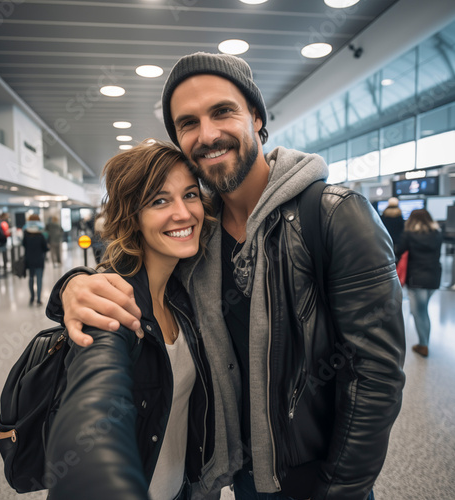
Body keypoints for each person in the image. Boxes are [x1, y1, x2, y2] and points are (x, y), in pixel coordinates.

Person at [47, 53, 406, 500]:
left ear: (256, 117)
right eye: (188, 123)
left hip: (316, 480)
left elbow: (376, 373)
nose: (208, 134)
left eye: (222, 111)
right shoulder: (198, 231)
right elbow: (134, 265)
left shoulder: (333, 215)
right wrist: (72, 285)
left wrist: (341, 489)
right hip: (240, 475)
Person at [46, 140, 215, 500]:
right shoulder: (113, 307)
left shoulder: (185, 290)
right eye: (159, 200)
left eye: (190, 194)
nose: (184, 213)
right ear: (132, 216)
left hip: (185, 488)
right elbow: (89, 411)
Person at [395, 209, 442, 357]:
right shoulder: (437, 234)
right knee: (424, 310)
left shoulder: (409, 234)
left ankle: (423, 345)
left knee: (418, 313)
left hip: (416, 278)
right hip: (434, 277)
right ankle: (424, 343)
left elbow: (397, 251)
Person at [22, 214, 48, 305]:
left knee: (31, 278)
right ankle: (39, 299)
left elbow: (24, 245)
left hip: (29, 259)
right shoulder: (41, 235)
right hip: (39, 260)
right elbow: (45, 248)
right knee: (39, 279)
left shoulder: (26, 235)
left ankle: (32, 297)